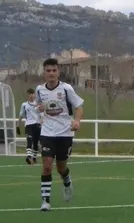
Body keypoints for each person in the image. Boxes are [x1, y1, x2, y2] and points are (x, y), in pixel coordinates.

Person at [34, 58, 83, 212]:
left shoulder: (66, 89)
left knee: (61, 168)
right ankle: (45, 201)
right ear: (44, 73)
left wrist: (77, 121)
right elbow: (38, 106)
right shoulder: (39, 90)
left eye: (54, 70)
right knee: (47, 166)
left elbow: (79, 106)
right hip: (47, 132)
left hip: (65, 133)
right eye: (48, 71)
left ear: (58, 72)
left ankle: (67, 182)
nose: (51, 73)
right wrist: (39, 109)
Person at [18, 88, 42, 165]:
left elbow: (42, 115)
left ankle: (34, 158)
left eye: (32, 94)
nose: (31, 96)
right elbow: (21, 116)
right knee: (29, 141)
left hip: (37, 125)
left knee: (35, 143)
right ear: (27, 95)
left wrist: (42, 124)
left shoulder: (38, 104)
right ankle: (28, 157)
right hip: (29, 125)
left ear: (34, 95)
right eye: (29, 94)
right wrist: (18, 126)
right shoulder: (24, 105)